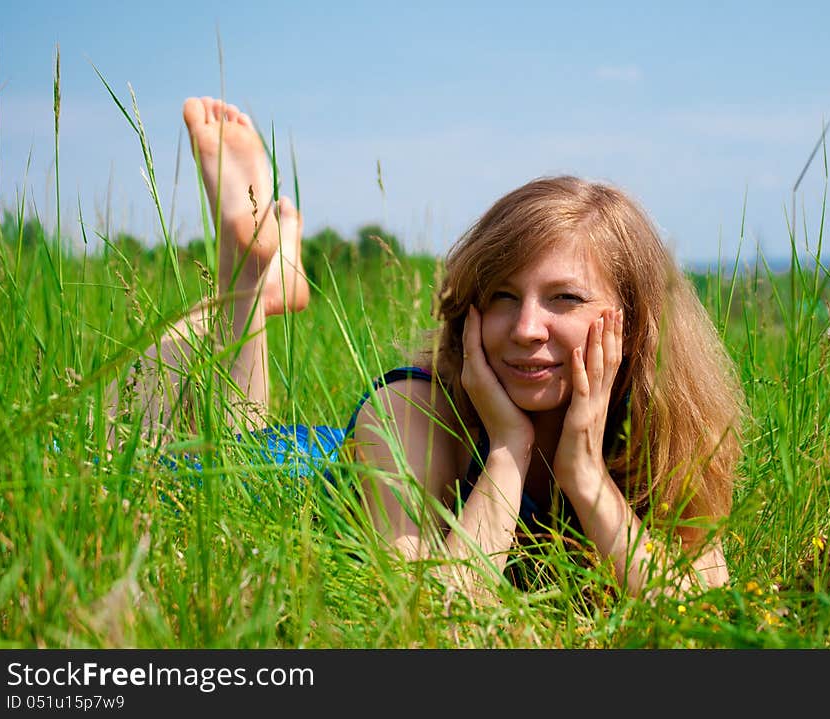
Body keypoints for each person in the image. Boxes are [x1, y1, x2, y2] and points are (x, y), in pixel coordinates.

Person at [118, 96, 745, 598]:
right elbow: (437, 617)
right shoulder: (410, 412)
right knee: (156, 452)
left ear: (633, 323)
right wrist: (507, 451)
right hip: (293, 473)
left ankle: (260, 283)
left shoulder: (670, 423)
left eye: (564, 299)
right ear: (469, 310)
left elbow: (700, 604)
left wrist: (584, 473)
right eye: (502, 296)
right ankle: (245, 274)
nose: (526, 327)